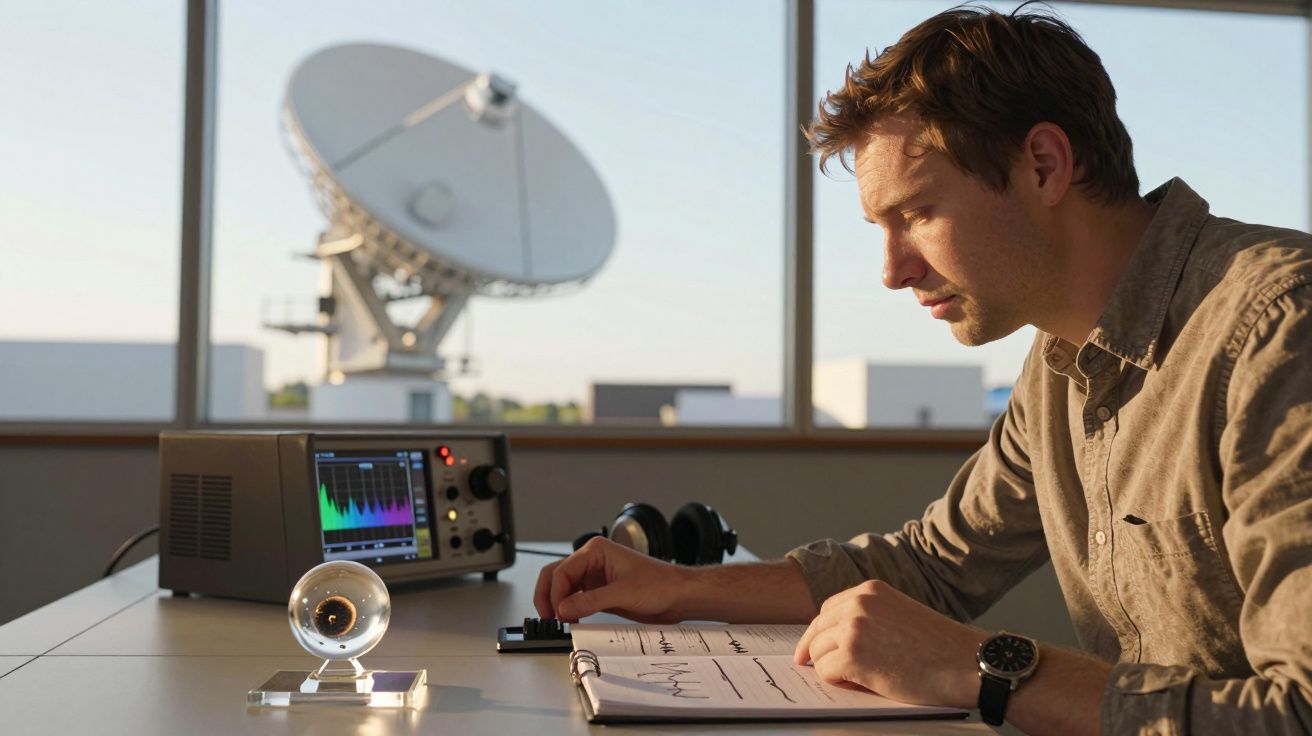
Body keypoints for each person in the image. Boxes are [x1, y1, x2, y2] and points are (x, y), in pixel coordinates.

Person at [535, 4, 1312, 734]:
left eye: (917, 213)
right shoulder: (1061, 360)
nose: (892, 271)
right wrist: (681, 590)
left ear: (1043, 165)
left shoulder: (1279, 330)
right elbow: (932, 567)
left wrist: (982, 669)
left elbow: (1299, 711)